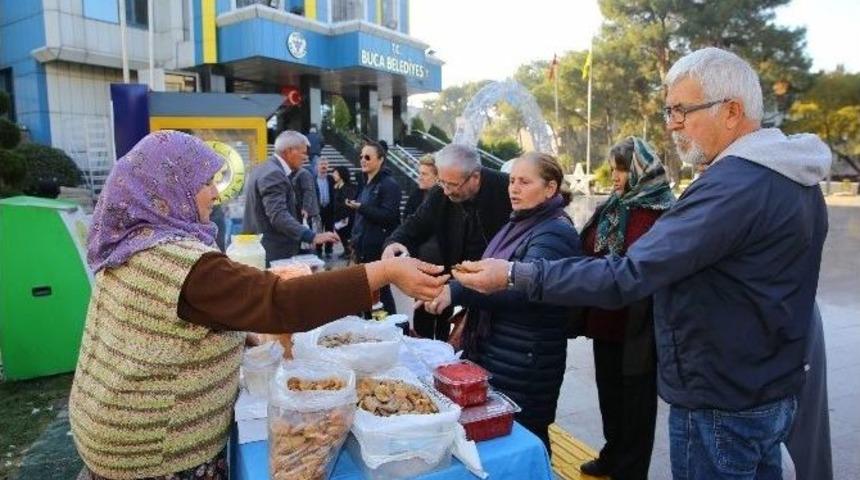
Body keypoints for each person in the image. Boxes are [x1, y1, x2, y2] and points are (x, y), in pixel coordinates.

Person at [450, 47, 832, 480]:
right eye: (669, 111)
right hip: (769, 390)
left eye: (682, 111)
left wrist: (514, 274)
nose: (672, 125)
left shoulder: (733, 186)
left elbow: (629, 273)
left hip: (720, 401)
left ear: (731, 111)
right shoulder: (793, 180)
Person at [70, 131, 447, 480]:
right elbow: (280, 301)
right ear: (169, 187)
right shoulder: (179, 261)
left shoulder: (132, 243)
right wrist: (383, 272)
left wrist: (242, 333)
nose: (216, 194)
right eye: (205, 183)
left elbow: (166, 325)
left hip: (107, 428)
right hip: (151, 451)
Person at [423, 152, 581, 449]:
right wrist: (447, 284)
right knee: (504, 441)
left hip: (527, 361)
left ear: (550, 188)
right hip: (503, 352)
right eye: (511, 181)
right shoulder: (521, 222)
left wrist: (456, 291)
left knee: (527, 442)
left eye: (524, 181)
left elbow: (522, 291)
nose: (514, 188)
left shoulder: (554, 232)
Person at [577, 137, 675, 480]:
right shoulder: (615, 204)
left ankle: (631, 471)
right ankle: (612, 454)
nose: (616, 177)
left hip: (640, 325)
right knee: (610, 394)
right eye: (615, 168)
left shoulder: (662, 210)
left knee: (636, 404)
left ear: (640, 171)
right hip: (606, 318)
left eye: (622, 169)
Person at [383, 143, 512, 340]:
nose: (446, 191)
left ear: (475, 177)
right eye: (442, 182)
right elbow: (414, 225)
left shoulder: (507, 190)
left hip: (499, 287)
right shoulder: (440, 193)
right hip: (454, 280)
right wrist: (394, 243)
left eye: (452, 185)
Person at [243, 130, 337, 265]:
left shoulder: (264, 168)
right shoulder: (274, 173)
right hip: (274, 253)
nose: (306, 158)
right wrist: (312, 236)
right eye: (303, 153)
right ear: (289, 151)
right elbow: (278, 216)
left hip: (265, 250)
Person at [348, 141, 402, 313]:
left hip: (377, 249)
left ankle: (390, 329)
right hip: (362, 248)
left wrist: (361, 208)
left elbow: (389, 217)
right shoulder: (367, 184)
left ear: (380, 160)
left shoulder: (389, 185)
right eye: (361, 156)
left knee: (380, 294)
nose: (363, 160)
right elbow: (361, 221)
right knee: (363, 293)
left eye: (368, 157)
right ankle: (370, 328)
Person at [331, 165, 357, 260]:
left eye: (335, 173)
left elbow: (348, 202)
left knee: (344, 233)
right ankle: (347, 250)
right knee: (341, 233)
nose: (333, 175)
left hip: (346, 216)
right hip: (338, 215)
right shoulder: (336, 186)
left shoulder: (348, 187)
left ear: (341, 175)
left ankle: (350, 250)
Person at [403, 154, 438, 220]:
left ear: (437, 177)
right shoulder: (415, 195)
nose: (420, 178)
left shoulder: (447, 198)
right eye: (420, 173)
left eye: (424, 174)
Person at [314, 158, 336, 259]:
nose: (323, 166)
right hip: (318, 209)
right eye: (321, 164)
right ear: (317, 166)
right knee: (318, 230)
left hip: (329, 208)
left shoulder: (331, 179)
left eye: (325, 164)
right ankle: (318, 250)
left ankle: (329, 250)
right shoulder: (312, 179)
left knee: (329, 230)